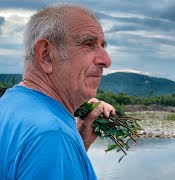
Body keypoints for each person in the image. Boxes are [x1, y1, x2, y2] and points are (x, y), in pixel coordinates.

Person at [0, 4, 116, 179]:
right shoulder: (51, 135)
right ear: (46, 54)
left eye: (102, 45)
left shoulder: (9, 105)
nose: (106, 60)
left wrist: (77, 144)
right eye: (88, 44)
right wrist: (61, 142)